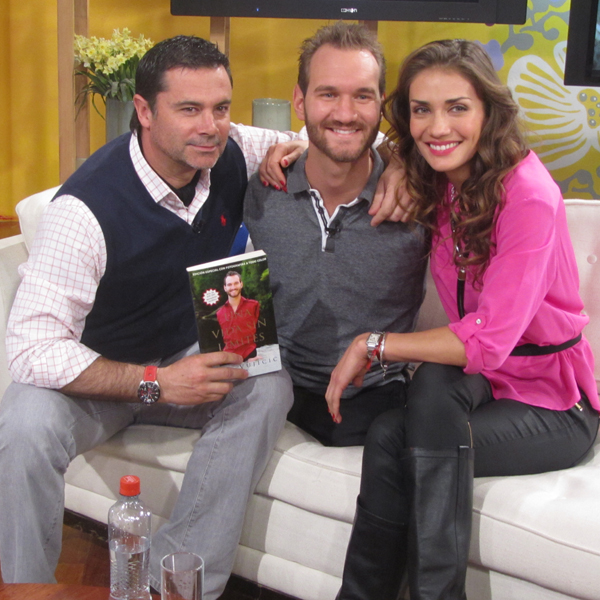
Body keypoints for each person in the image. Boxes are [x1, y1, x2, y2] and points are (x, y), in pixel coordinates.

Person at [0, 35, 306, 600]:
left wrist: (296, 148)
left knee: (267, 383)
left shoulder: (229, 150)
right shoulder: (83, 210)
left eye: (220, 107)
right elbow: (31, 348)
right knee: (22, 422)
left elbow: (332, 137)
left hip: (184, 355)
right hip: (98, 376)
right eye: (188, 109)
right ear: (143, 111)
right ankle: (27, 591)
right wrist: (156, 383)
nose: (210, 126)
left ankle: (172, 587)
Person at [326, 39, 600, 599]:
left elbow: (488, 342)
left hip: (552, 400)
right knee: (423, 393)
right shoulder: (440, 176)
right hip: (484, 386)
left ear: (488, 112)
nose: (437, 126)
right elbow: (356, 141)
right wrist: (285, 149)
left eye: (457, 108)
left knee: (395, 436)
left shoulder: (527, 195)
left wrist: (373, 344)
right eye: (421, 110)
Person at [244, 22, 428, 447]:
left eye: (362, 96)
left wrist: (401, 161)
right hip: (271, 387)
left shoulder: (417, 199)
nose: (345, 114)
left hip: (375, 395)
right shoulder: (260, 189)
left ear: (380, 105)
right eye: (327, 94)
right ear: (299, 101)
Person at [216, 271, 260, 359]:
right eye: (229, 285)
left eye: (236, 283)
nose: (233, 287)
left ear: (241, 284)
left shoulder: (254, 305)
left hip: (250, 353)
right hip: (229, 356)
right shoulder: (219, 313)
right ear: (225, 288)